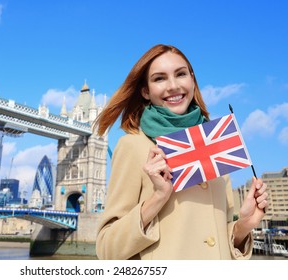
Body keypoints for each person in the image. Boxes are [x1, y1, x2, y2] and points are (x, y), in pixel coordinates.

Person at [94, 44, 268, 260]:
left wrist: (244, 225)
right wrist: (158, 197)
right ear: (145, 91)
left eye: (181, 74)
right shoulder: (132, 146)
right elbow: (106, 250)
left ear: (192, 80)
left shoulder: (216, 144)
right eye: (159, 78)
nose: (173, 86)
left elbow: (218, 240)